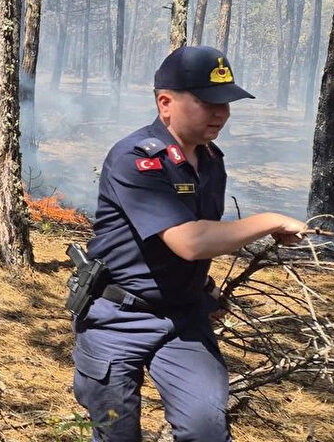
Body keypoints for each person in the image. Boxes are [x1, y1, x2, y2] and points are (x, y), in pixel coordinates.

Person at [70, 45, 309, 441]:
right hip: (116, 318)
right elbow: (190, 241)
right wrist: (269, 220)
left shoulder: (212, 161)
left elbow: (194, 239)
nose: (221, 113)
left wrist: (202, 288)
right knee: (116, 433)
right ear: (166, 103)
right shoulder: (136, 159)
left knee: (206, 429)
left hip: (182, 318)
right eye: (207, 101)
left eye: (227, 103)